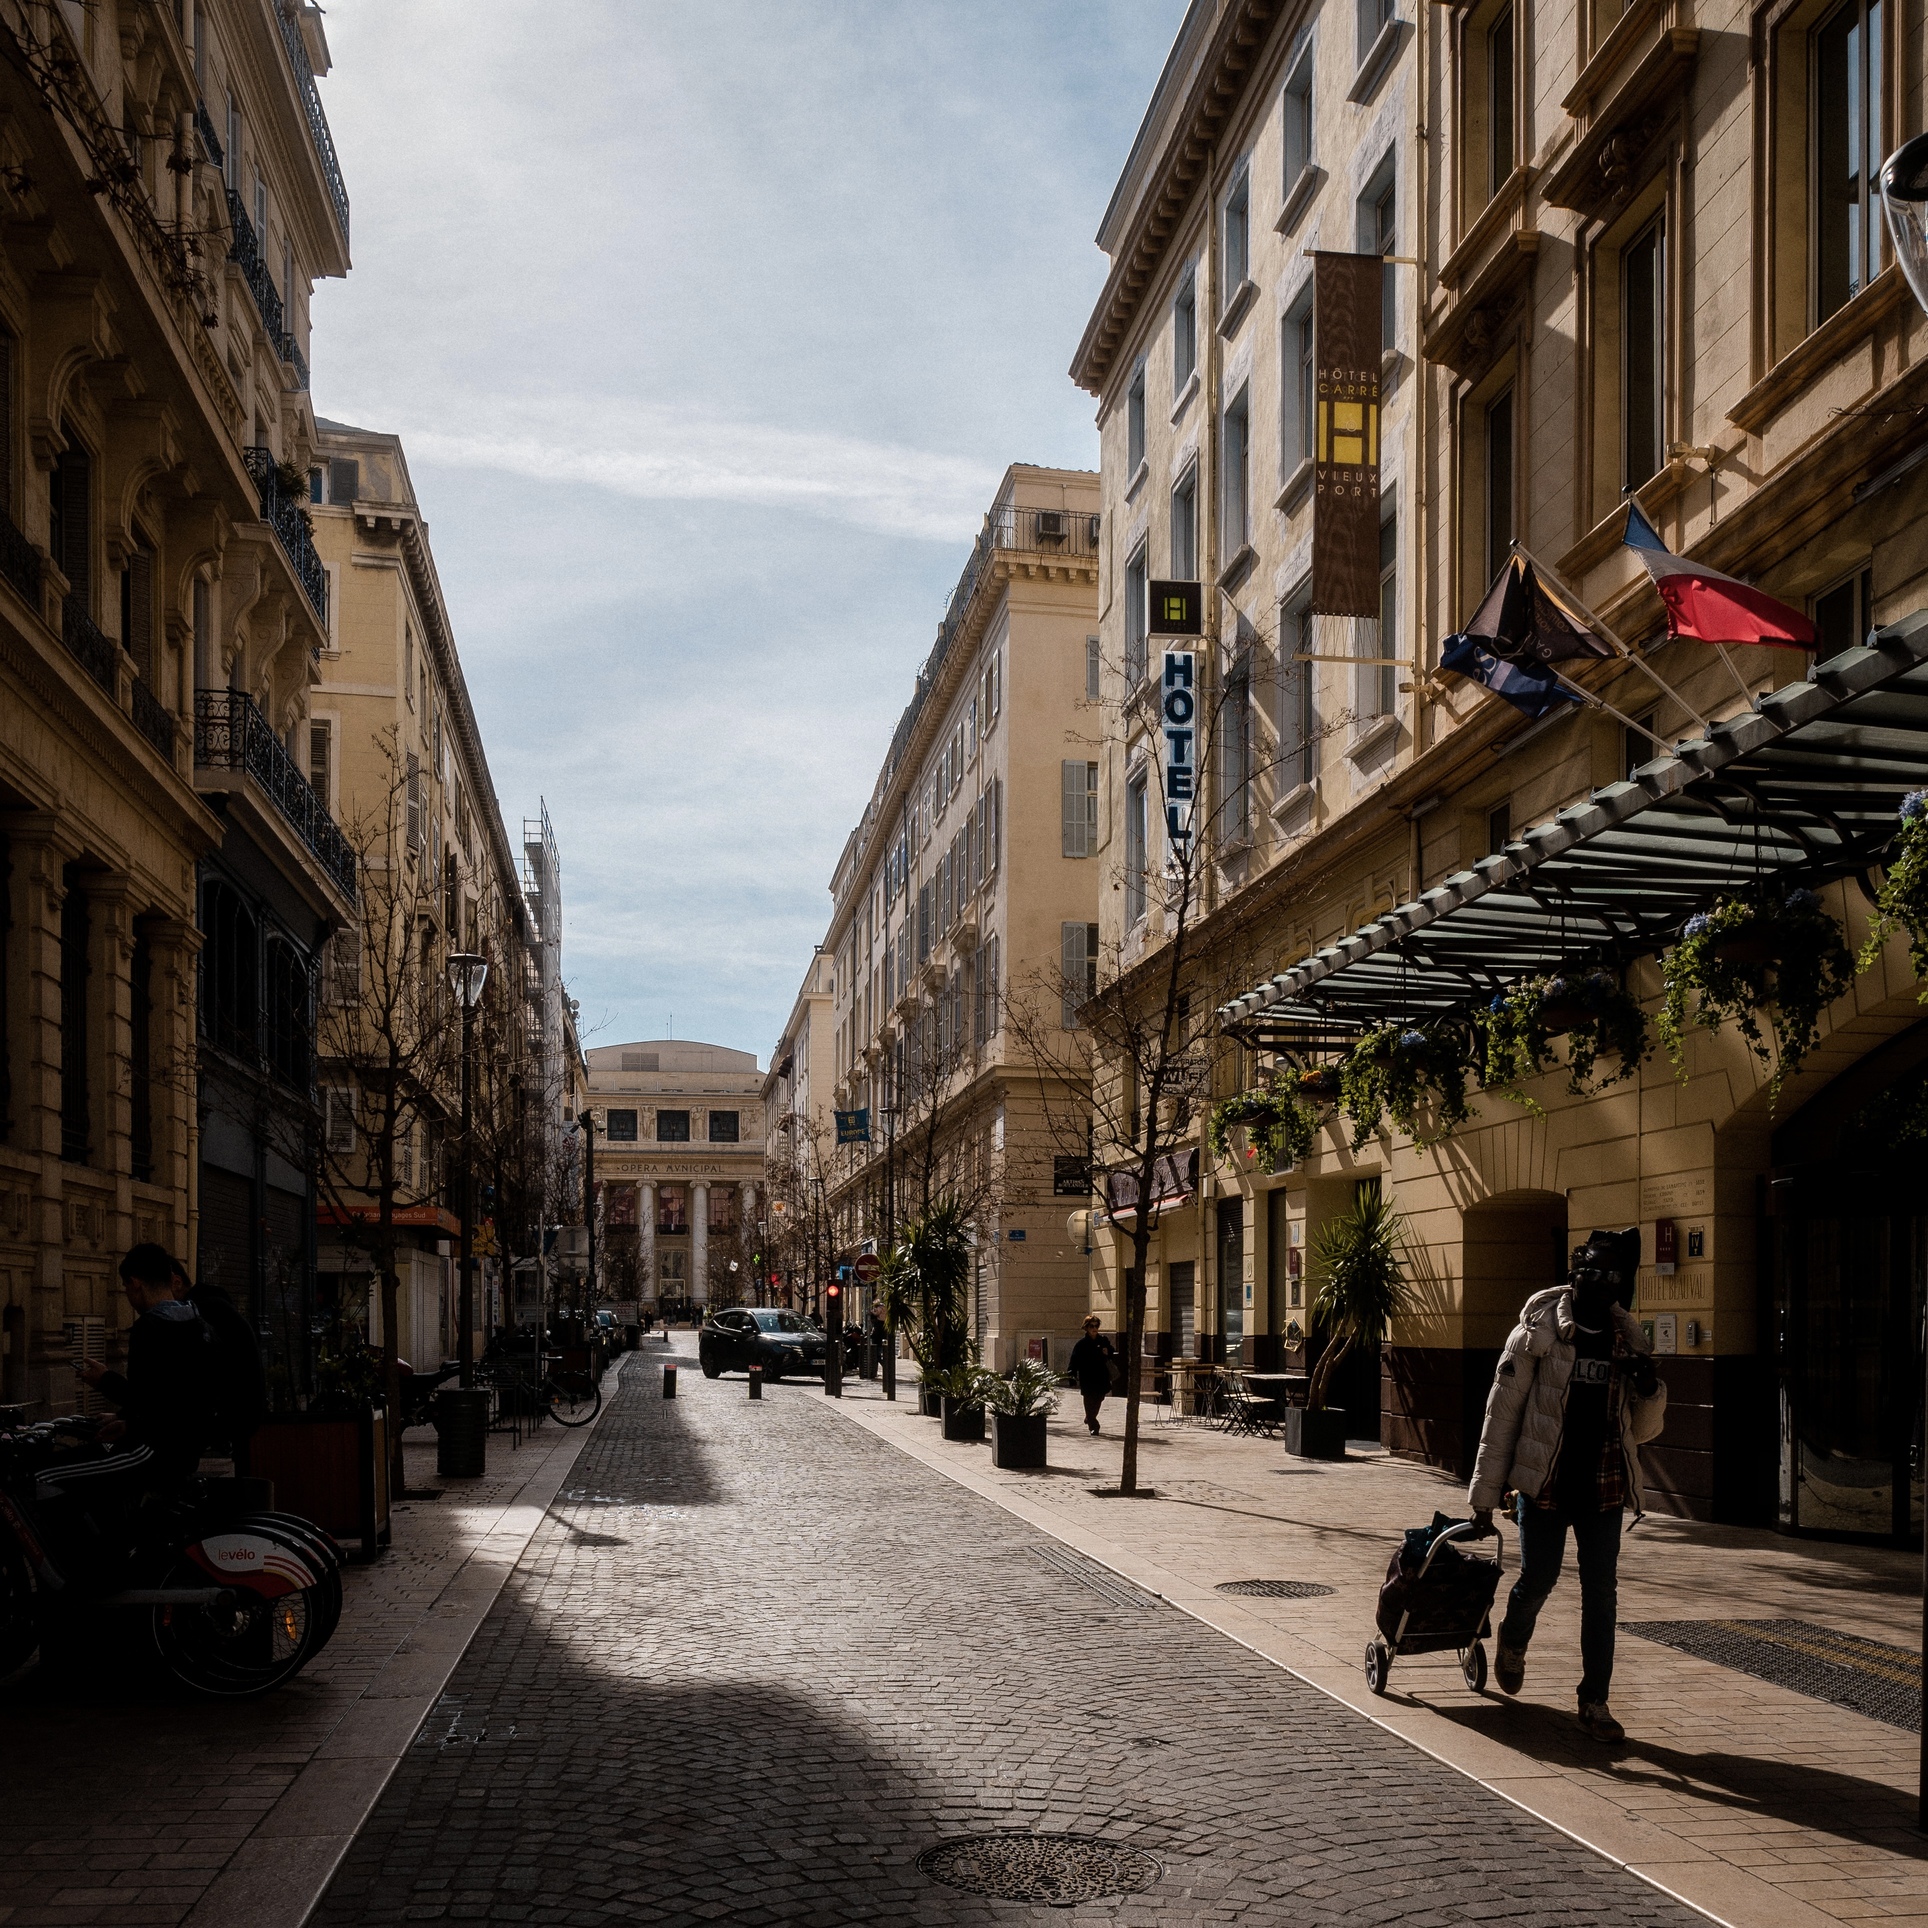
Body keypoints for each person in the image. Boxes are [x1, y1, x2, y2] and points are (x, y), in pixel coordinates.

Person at [1467, 1228, 1667, 1744]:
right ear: (1574, 1278)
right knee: (1539, 1578)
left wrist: (1650, 1389)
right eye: (1592, 1276)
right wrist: (1484, 1499)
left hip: (1603, 1486)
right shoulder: (1536, 1334)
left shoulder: (1630, 1339)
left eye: (1612, 1279)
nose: (1601, 1288)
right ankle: (1513, 1640)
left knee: (1602, 1594)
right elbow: (1502, 1416)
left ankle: (1595, 1701)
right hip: (1546, 1484)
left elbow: (1642, 1432)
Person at [1067, 1316, 1117, 1436]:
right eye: (1091, 1326)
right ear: (1086, 1328)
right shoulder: (1081, 1344)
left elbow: (1112, 1352)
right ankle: (1093, 1425)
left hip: (1101, 1376)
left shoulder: (1103, 1340)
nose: (1094, 1328)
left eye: (1096, 1326)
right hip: (1087, 1377)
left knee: (1099, 1398)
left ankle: (1089, 1417)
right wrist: (1071, 1377)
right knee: (1089, 1399)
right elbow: (1074, 1361)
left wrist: (1108, 1352)